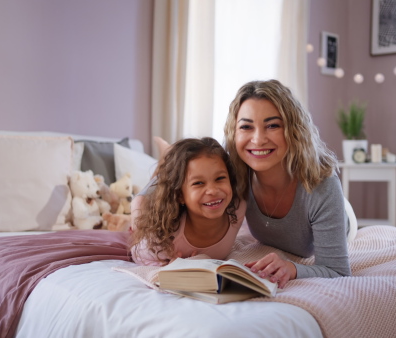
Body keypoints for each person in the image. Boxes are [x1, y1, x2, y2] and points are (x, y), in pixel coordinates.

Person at [223, 79, 351, 288]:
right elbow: (180, 173)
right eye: (246, 126)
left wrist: (292, 268)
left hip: (337, 212)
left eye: (272, 125)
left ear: (293, 130)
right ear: (234, 133)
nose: (257, 139)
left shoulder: (322, 185)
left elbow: (338, 271)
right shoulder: (234, 170)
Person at [130, 137, 246, 266]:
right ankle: (165, 157)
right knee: (147, 196)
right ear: (180, 196)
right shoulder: (163, 241)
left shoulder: (238, 207)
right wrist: (165, 265)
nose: (212, 191)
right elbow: (138, 254)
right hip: (142, 204)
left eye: (219, 178)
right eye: (198, 183)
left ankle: (167, 154)